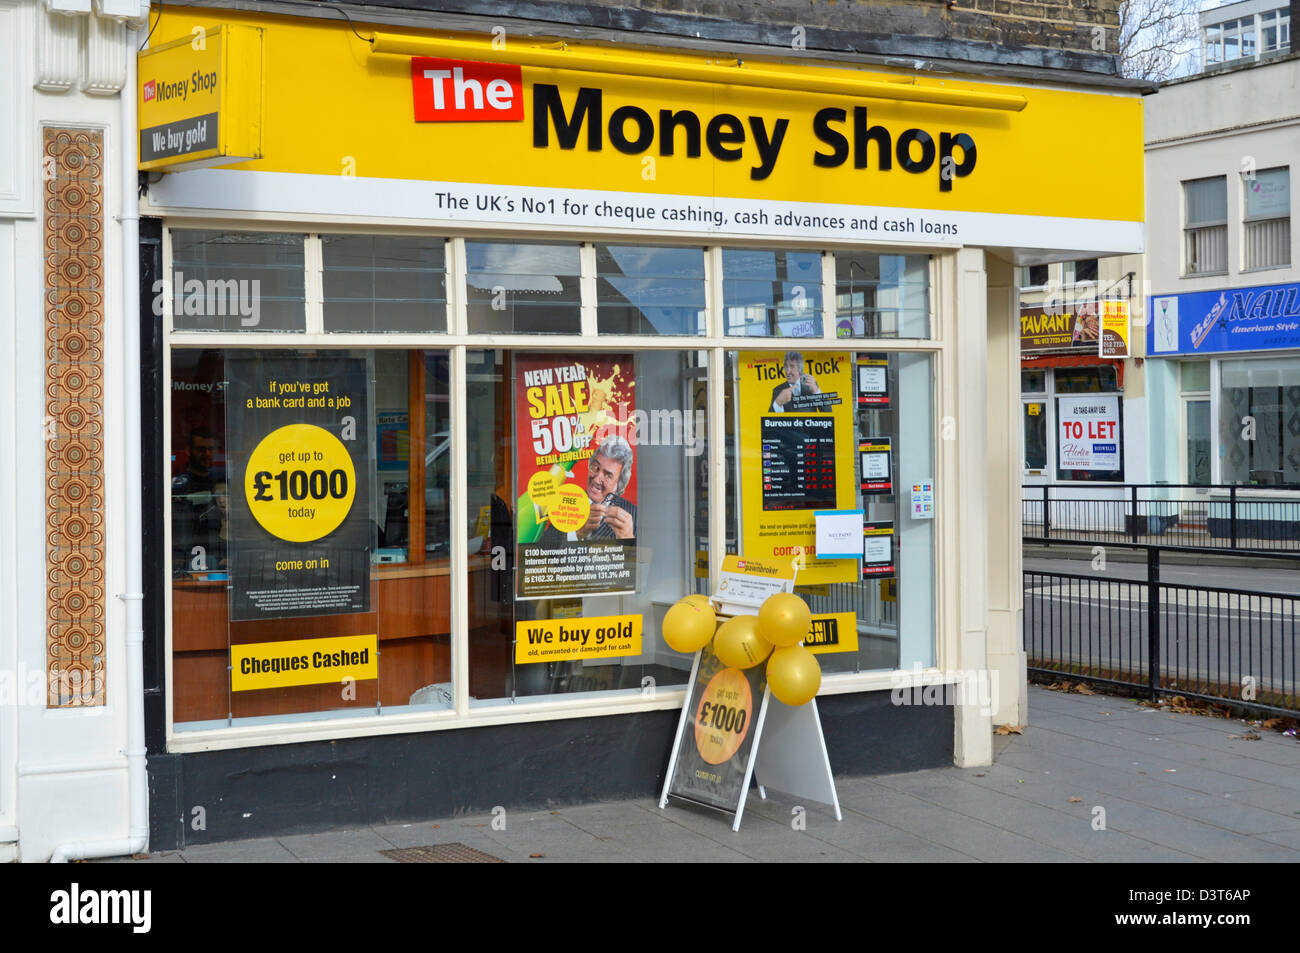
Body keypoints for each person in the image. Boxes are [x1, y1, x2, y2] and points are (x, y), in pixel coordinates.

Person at [541, 435, 636, 543]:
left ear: (619, 484)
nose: (596, 479)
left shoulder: (634, 516)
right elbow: (543, 550)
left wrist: (628, 540)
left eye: (608, 475)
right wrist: (577, 533)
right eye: (596, 467)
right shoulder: (568, 503)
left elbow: (644, 556)